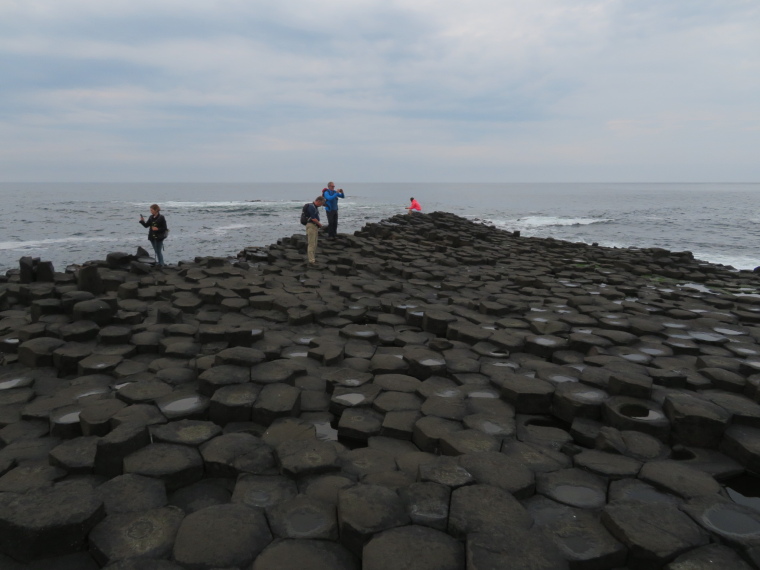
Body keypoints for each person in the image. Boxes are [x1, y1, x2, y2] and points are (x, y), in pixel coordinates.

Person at [304, 196, 326, 265]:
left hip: (315, 226)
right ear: (318, 201)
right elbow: (313, 218)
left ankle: (313, 259)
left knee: (314, 243)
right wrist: (320, 224)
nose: (321, 205)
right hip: (311, 226)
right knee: (311, 244)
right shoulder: (311, 207)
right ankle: (311, 260)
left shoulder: (314, 207)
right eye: (321, 203)